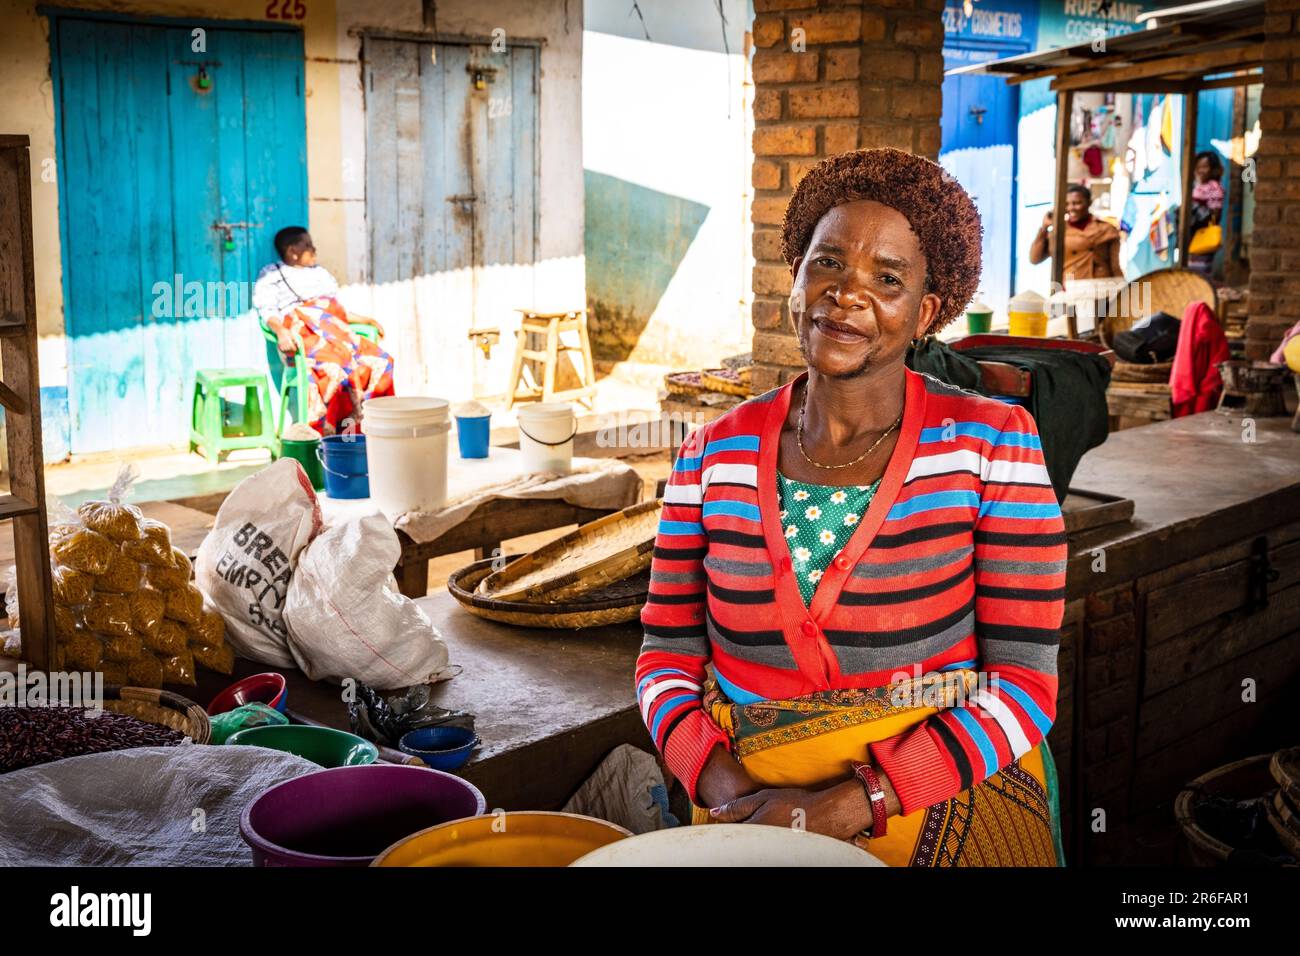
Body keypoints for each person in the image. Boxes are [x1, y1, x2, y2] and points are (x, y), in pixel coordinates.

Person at [636, 148, 1068, 866]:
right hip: (747, 809)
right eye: (828, 264)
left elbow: (1024, 682)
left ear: (925, 312)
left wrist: (853, 804)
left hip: (941, 811)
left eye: (887, 279)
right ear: (796, 281)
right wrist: (723, 786)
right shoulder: (710, 454)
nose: (847, 294)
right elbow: (665, 657)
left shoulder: (992, 446)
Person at [253, 227, 394, 436]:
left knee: (382, 360)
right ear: (293, 252)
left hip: (336, 331)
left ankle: (376, 424)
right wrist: (281, 332)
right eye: (308, 245)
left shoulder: (320, 273)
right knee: (336, 366)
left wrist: (367, 320)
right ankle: (336, 432)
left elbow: (336, 310)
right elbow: (267, 310)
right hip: (306, 333)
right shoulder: (273, 274)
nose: (314, 249)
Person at [1028, 183, 1122, 280]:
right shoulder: (1058, 232)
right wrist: (1044, 228)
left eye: (1077, 203)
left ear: (1089, 202)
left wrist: (1122, 290)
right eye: (1067, 204)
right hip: (1071, 286)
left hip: (1101, 286)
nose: (1071, 208)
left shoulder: (1106, 228)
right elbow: (1034, 259)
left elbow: (1115, 265)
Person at [1186, 150, 1225, 279]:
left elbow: (1214, 213)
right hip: (1194, 237)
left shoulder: (1213, 187)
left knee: (1199, 275)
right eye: (1198, 167)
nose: (1200, 171)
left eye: (1205, 167)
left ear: (1213, 169)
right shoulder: (1198, 186)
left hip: (1202, 235)